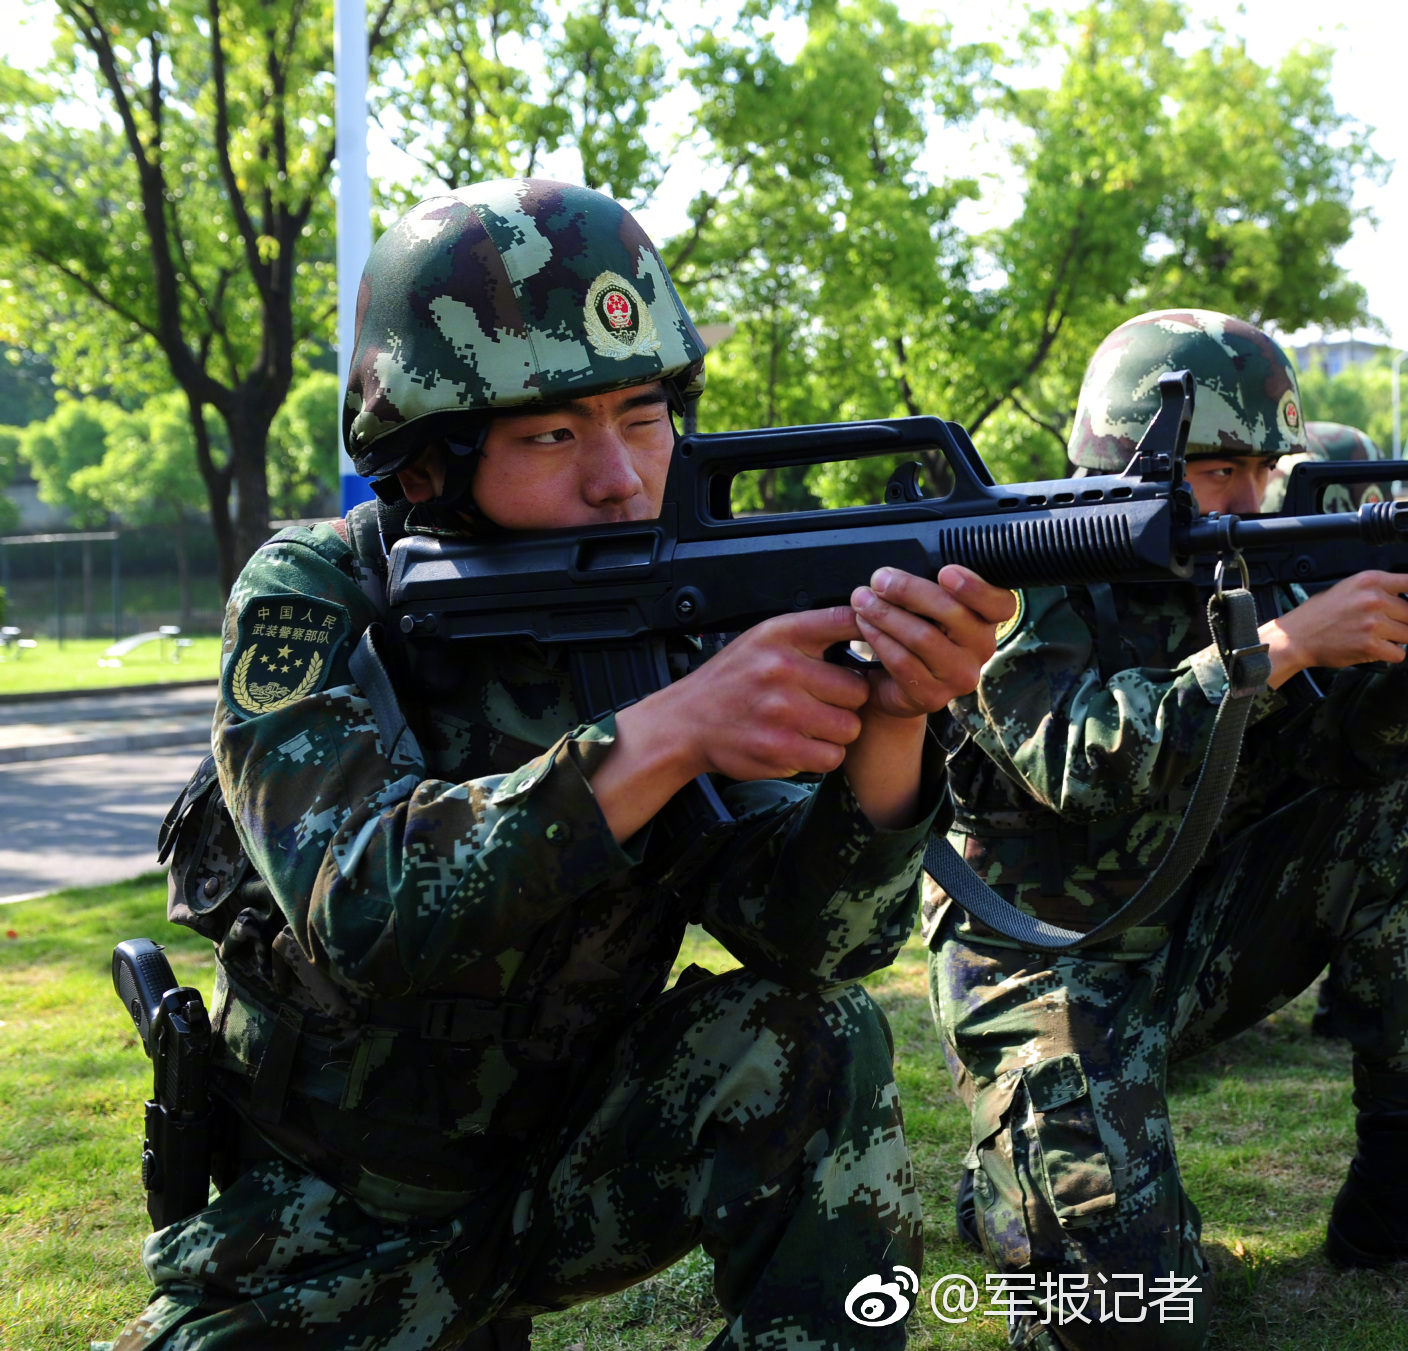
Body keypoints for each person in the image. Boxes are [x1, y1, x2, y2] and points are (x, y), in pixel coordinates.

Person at [107, 178, 1014, 1351]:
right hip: (323, 1229)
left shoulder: (670, 608)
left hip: (565, 1180)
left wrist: (897, 720)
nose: (621, 476)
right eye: (552, 432)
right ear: (426, 458)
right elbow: (358, 904)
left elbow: (821, 943)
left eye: (643, 416)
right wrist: (667, 733)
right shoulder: (317, 594)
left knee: (813, 1039)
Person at [925, 310, 1408, 1351]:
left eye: (1259, 463)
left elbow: (1352, 765)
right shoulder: (1018, 565)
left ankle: (1405, 1188)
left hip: (1197, 935)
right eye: (1215, 467)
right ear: (1124, 454)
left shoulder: (1257, 564)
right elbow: (1081, 765)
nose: (1248, 495)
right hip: (1046, 971)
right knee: (1133, 1324)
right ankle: (1018, 1188)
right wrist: (1277, 647)